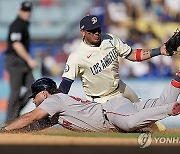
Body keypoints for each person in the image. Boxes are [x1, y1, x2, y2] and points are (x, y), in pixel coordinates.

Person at [59, 15, 178, 131]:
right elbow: (66, 84)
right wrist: (54, 103)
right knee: (134, 123)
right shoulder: (77, 56)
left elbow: (132, 54)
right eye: (92, 30)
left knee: (148, 118)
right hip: (104, 100)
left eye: (98, 28)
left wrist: (159, 50)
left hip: (122, 88)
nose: (97, 32)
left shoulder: (110, 39)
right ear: (83, 32)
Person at [0, 70, 180, 133]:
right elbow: (36, 125)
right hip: (116, 109)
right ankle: (178, 79)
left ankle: (171, 109)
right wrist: (17, 132)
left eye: (35, 97)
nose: (34, 101)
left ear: (45, 94)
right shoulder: (57, 106)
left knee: (130, 123)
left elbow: (30, 117)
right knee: (162, 101)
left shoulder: (53, 100)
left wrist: (5, 129)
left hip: (111, 114)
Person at [5, 1, 37, 124]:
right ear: (20, 11)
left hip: (22, 61)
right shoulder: (17, 25)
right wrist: (29, 59)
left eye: (28, 11)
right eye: (25, 10)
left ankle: (15, 113)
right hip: (15, 61)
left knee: (33, 89)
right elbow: (16, 44)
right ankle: (10, 122)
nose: (27, 13)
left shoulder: (24, 25)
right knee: (15, 92)